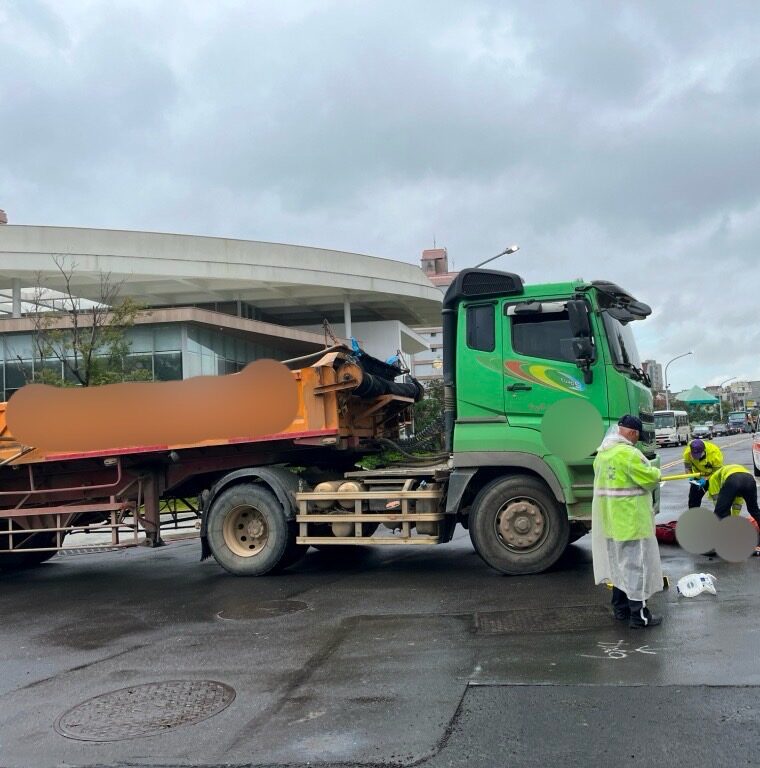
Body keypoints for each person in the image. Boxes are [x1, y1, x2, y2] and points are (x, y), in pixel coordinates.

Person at [592, 414, 663, 628]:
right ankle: (639, 617)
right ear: (632, 433)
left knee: (618, 568)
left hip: (611, 522)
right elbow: (649, 478)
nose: (636, 441)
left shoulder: (602, 454)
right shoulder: (630, 454)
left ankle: (620, 610)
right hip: (632, 521)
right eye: (637, 436)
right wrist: (657, 472)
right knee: (636, 569)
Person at [704, 464, 760, 555]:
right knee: (754, 510)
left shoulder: (713, 478)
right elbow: (737, 503)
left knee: (719, 513)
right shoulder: (734, 470)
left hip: (733, 480)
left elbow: (717, 499)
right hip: (750, 480)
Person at [683, 438, 723, 508]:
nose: (696, 458)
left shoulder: (715, 453)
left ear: (704, 451)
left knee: (717, 498)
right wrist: (690, 476)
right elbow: (687, 467)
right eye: (694, 456)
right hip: (698, 477)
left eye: (698, 455)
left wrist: (706, 479)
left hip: (713, 476)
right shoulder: (687, 452)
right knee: (693, 500)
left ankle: (721, 515)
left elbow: (717, 472)